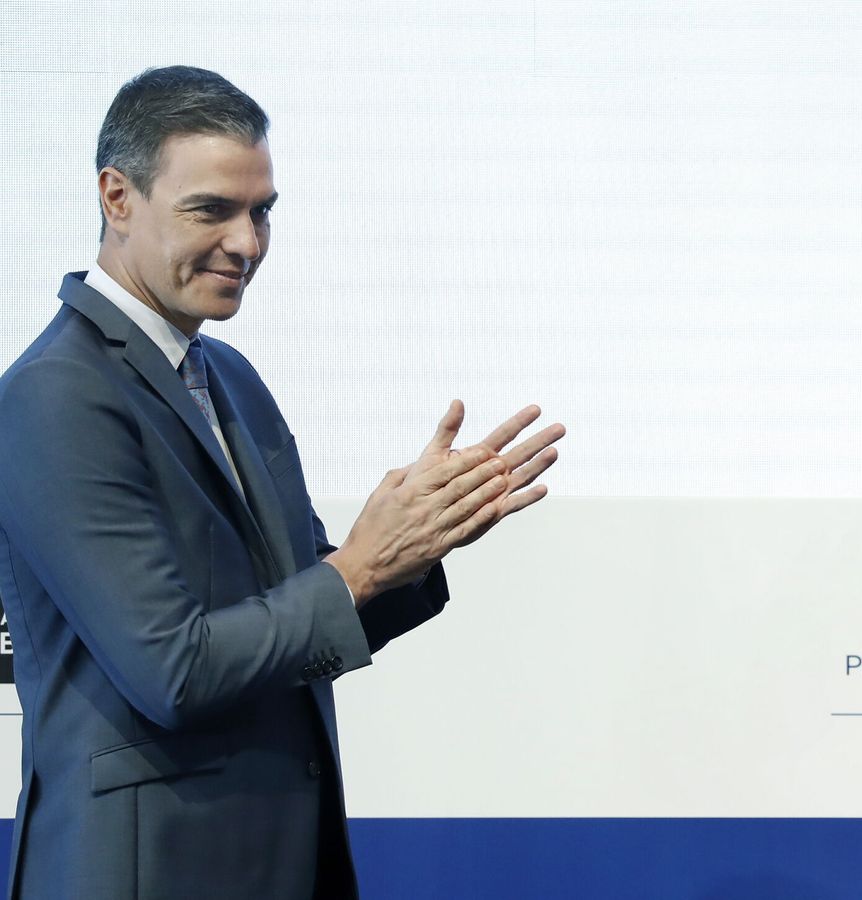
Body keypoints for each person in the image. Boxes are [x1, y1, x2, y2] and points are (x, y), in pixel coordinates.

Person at [0, 66, 564, 899]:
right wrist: (363, 565)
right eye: (213, 210)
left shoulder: (228, 375)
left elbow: (302, 596)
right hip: (147, 873)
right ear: (117, 198)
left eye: (262, 211)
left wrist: (417, 544)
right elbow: (175, 670)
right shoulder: (54, 394)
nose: (248, 242)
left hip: (278, 856)